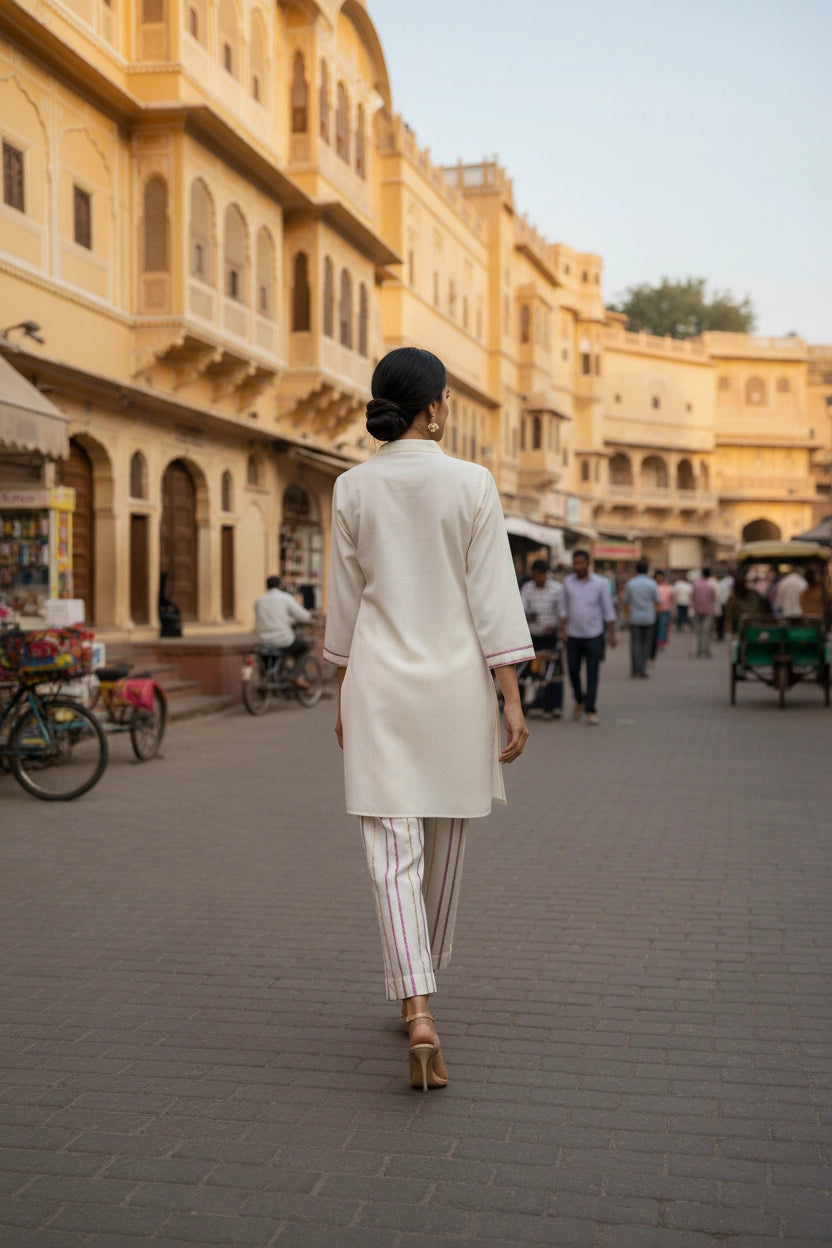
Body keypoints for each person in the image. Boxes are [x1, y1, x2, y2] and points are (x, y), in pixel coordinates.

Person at [324, 347, 533, 1092]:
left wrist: (344, 691)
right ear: (435, 405)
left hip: (378, 687)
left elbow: (344, 608)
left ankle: (416, 1003)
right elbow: (493, 599)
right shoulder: (472, 483)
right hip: (452, 691)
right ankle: (419, 992)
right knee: (443, 847)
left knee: (391, 856)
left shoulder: (351, 487)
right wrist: (510, 697)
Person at [558, 549, 616, 724]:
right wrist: (562, 630)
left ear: (588, 563)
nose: (578, 566)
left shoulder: (600, 583)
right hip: (573, 635)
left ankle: (590, 709)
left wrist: (612, 634)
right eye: (575, 563)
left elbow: (608, 610)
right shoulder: (567, 583)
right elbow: (563, 609)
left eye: (581, 563)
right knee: (573, 670)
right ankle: (580, 698)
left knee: (592, 672)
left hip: (594, 634)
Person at [254, 575, 312, 684]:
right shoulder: (285, 597)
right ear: (280, 586)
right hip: (283, 640)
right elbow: (303, 615)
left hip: (264, 640)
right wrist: (310, 617)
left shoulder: (259, 600)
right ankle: (295, 675)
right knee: (304, 647)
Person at [623, 558, 659, 677]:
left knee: (635, 644)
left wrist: (626, 616)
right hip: (649, 617)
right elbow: (657, 601)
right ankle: (643, 668)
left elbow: (625, 602)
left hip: (634, 617)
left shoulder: (631, 583)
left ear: (636, 570)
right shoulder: (652, 583)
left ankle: (635, 669)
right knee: (646, 644)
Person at [724, 569, 769, 634]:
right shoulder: (733, 599)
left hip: (757, 628)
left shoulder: (754, 595)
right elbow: (730, 615)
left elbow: (764, 609)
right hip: (742, 630)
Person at [691, 567, 717, 656]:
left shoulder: (695, 584)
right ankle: (705, 649)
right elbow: (713, 597)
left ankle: (698, 649)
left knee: (699, 630)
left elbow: (692, 596)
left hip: (697, 610)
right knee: (706, 631)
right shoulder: (710, 585)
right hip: (708, 610)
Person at [652, 569, 673, 655]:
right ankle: (655, 642)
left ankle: (661, 643)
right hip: (654, 610)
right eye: (657, 577)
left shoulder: (667, 587)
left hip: (665, 610)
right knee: (655, 627)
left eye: (660, 577)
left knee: (663, 627)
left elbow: (671, 598)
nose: (659, 578)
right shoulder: (653, 586)